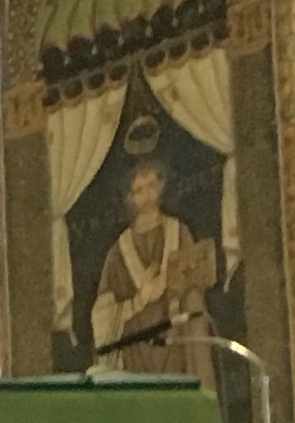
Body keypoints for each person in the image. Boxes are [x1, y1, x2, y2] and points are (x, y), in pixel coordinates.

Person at [88, 141, 218, 392]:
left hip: (175, 331)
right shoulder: (119, 251)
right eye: (139, 189)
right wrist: (138, 300)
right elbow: (102, 314)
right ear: (130, 197)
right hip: (135, 340)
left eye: (151, 186)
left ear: (161, 186)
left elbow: (194, 277)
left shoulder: (177, 231)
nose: (146, 194)